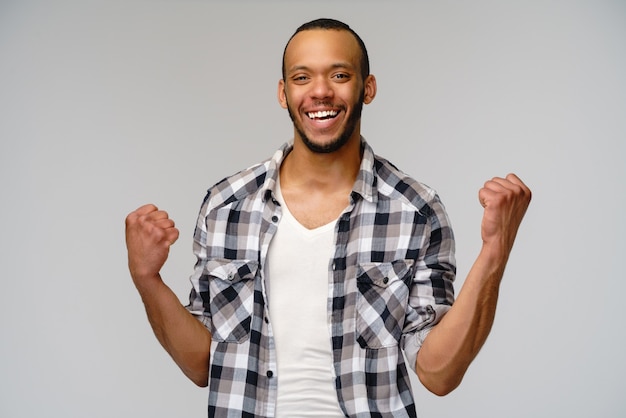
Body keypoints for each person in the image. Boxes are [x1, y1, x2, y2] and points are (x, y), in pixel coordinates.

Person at [125, 18, 531, 417]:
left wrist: (494, 253)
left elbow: (438, 374)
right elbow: (201, 364)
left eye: (339, 74)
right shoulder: (226, 206)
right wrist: (148, 279)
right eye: (302, 78)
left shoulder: (415, 209)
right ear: (283, 94)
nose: (320, 92)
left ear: (366, 88)